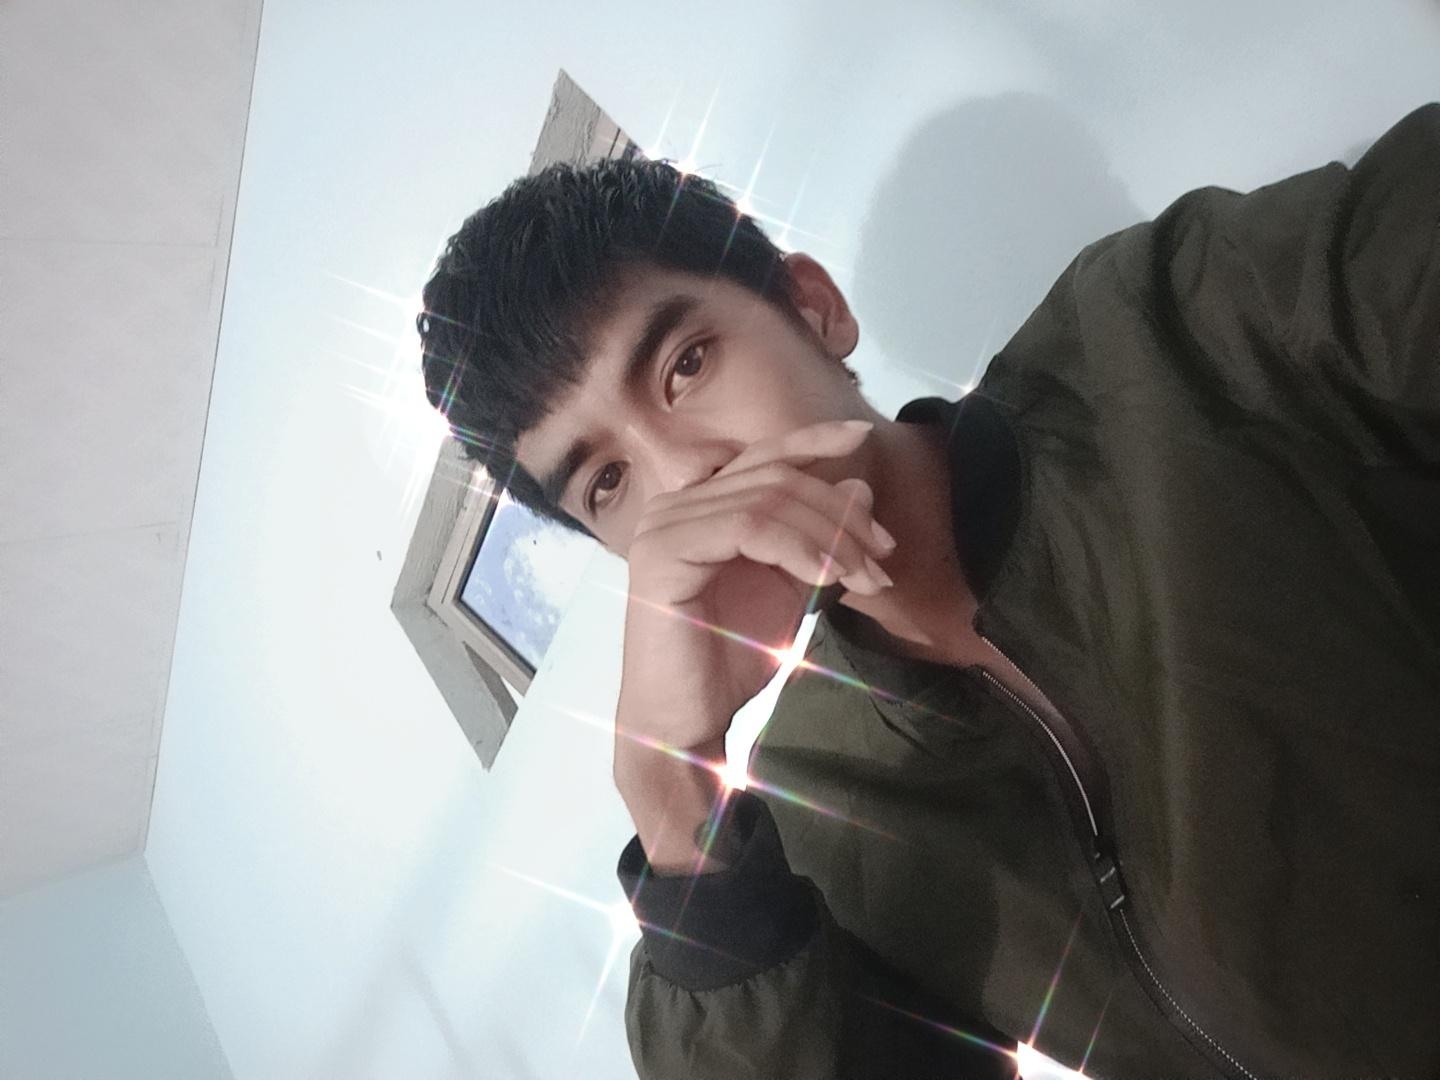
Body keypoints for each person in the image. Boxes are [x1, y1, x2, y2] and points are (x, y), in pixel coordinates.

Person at [416, 103, 1440, 1079]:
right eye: (607, 482)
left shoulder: (1154, 338)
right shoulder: (819, 817)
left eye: (686, 364)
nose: (685, 478)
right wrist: (670, 802)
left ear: (813, 309)